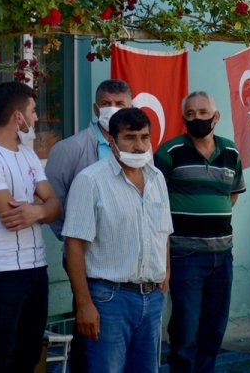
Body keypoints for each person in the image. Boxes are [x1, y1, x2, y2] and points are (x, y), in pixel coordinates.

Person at [62, 108, 173, 373]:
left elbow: (164, 231)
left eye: (144, 137)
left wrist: (165, 271)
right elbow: (74, 246)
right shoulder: (90, 181)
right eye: (130, 137)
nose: (138, 145)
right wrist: (84, 304)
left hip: (152, 297)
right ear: (112, 142)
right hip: (109, 299)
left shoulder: (157, 178)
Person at [0, 81, 62, 372]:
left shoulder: (29, 155)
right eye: (32, 111)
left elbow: (55, 206)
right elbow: (12, 216)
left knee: (29, 356)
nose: (36, 118)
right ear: (17, 116)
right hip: (0, 275)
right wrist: (40, 207)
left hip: (36, 269)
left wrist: (37, 209)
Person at [154, 91, 245, 373]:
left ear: (215, 117)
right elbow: (155, 201)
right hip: (185, 256)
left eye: (203, 112)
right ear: (184, 119)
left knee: (214, 331)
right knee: (185, 332)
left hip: (222, 255)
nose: (197, 118)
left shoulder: (231, 152)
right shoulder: (169, 152)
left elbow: (231, 195)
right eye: (190, 114)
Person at [45, 78, 132, 372]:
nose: (113, 109)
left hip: (126, 262)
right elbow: (54, 206)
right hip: (86, 260)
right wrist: (75, 243)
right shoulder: (69, 149)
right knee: (89, 334)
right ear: (96, 107)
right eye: (106, 103)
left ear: (130, 107)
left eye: (120, 104)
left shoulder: (136, 149)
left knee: (122, 341)